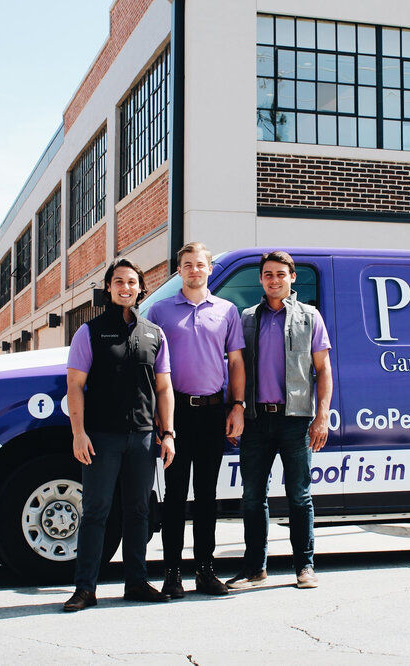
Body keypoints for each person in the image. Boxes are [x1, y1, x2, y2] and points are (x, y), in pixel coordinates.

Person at [62, 258, 176, 611]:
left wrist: (167, 432)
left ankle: (137, 583)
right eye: (118, 282)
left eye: (131, 282)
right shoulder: (90, 332)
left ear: (141, 288)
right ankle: (85, 588)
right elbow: (75, 385)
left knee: (139, 511)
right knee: (96, 511)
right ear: (109, 288)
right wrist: (78, 433)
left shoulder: (154, 334)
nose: (125, 288)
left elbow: (164, 387)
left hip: (142, 437)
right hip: (100, 437)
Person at [226, 250, 333, 590]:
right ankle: (255, 568)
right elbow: (234, 367)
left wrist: (322, 416)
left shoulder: (309, 317)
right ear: (261, 279)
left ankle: (305, 567)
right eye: (268, 274)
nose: (274, 280)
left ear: (292, 278)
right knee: (253, 496)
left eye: (280, 274)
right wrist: (237, 408)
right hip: (256, 419)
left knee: (299, 495)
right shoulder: (245, 318)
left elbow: (323, 370)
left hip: (295, 419)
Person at [147, 241, 245, 597]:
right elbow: (151, 369)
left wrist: (237, 406)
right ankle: (172, 574)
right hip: (175, 416)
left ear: (209, 269)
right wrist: (161, 423)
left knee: (206, 496)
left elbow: (235, 363)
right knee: (174, 496)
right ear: (179, 271)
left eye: (200, 264)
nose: (194, 270)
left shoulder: (227, 311)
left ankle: (206, 571)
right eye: (187, 265)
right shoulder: (159, 312)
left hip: (212, 413)